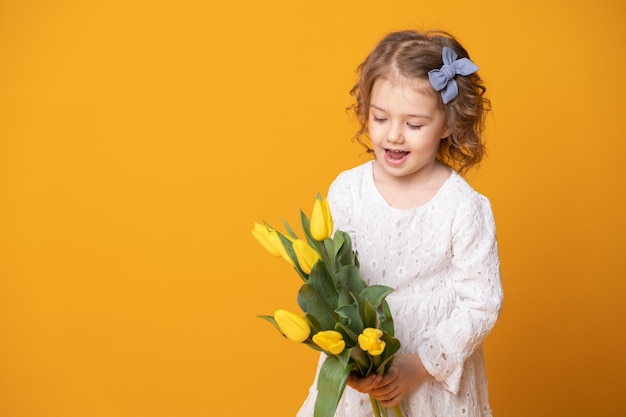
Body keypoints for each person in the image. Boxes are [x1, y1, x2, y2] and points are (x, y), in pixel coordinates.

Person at [296, 30, 503, 417]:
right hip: (363, 378)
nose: (393, 135)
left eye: (414, 124)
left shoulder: (464, 206)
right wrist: (351, 365)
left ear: (446, 124)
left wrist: (420, 365)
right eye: (380, 117)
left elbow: (482, 303)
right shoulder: (348, 190)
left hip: (430, 384)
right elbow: (331, 285)